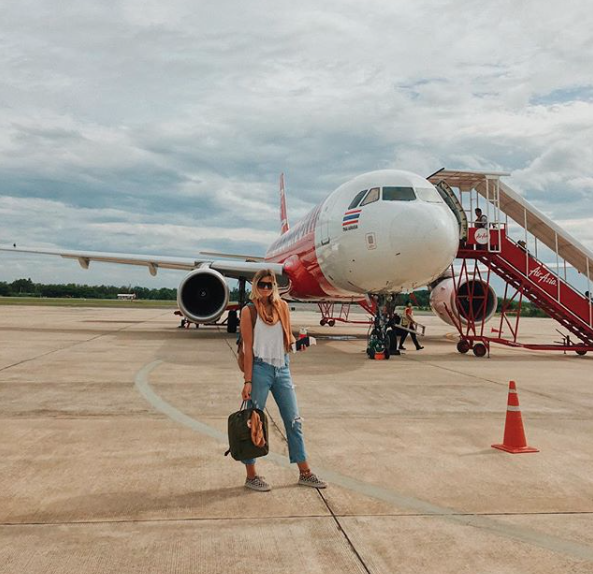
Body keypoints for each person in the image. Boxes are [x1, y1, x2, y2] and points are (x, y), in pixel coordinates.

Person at [239, 268, 327, 492]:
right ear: (255, 286)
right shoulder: (249, 311)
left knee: (294, 420)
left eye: (269, 285)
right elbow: (247, 348)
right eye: (262, 284)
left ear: (274, 287)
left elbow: (287, 339)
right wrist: (248, 381)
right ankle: (251, 475)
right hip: (259, 369)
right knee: (253, 421)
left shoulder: (283, 307)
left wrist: (301, 344)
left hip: (283, 368)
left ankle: (305, 472)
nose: (266, 289)